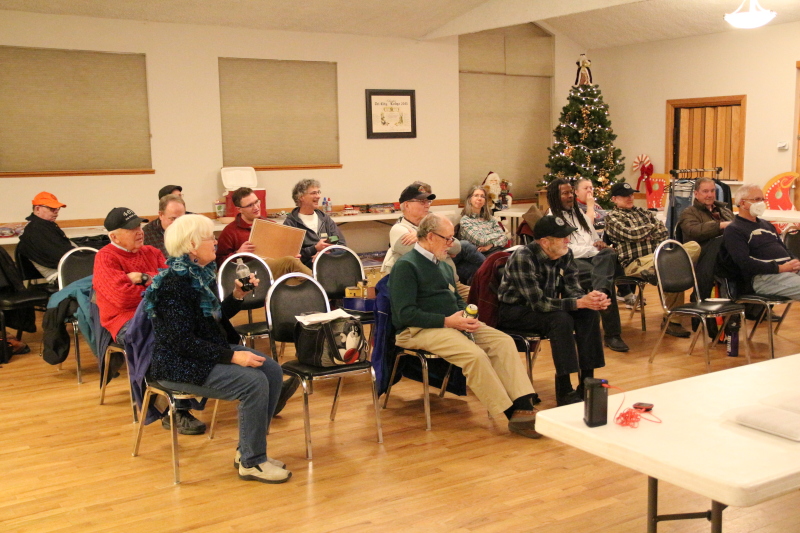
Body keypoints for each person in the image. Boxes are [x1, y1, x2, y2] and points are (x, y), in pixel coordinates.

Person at [145, 214, 290, 484]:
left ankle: (248, 449)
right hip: (177, 363)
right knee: (253, 382)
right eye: (209, 237)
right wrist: (232, 356)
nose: (215, 241)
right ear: (191, 245)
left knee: (271, 370)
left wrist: (237, 296)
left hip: (203, 352)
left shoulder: (200, 275)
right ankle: (252, 462)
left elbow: (213, 319)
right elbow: (181, 342)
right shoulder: (173, 285)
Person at [390, 213, 541, 439]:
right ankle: (512, 414)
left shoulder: (442, 264)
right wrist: (447, 321)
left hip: (450, 323)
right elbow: (405, 314)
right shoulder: (406, 266)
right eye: (447, 239)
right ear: (430, 237)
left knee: (503, 341)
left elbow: (455, 298)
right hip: (417, 330)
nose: (451, 244)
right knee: (474, 355)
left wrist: (464, 314)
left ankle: (524, 406)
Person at [93, 207, 206, 436]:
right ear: (114, 236)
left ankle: (232, 385)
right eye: (131, 229)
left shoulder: (152, 252)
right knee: (167, 342)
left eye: (139, 226)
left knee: (199, 330)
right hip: (126, 321)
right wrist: (157, 287)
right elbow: (123, 298)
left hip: (160, 315)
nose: (139, 231)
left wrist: (143, 279)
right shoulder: (105, 257)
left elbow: (175, 284)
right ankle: (175, 410)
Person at [497, 215, 608, 406]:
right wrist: (579, 303)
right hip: (515, 311)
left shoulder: (565, 254)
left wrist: (591, 300)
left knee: (589, 313)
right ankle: (565, 389)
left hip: (546, 308)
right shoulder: (523, 257)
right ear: (545, 242)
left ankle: (587, 382)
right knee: (560, 319)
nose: (568, 240)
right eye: (562, 237)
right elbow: (539, 304)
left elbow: (573, 289)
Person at [604, 182, 701, 338]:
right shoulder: (612, 217)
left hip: (659, 256)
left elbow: (663, 231)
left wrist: (643, 233)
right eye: (624, 195)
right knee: (674, 268)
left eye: (631, 194)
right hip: (635, 263)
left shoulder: (643, 212)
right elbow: (631, 234)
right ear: (614, 199)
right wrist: (650, 229)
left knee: (694, 246)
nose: (630, 198)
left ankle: (659, 270)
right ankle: (672, 321)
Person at [545, 179, 628, 352]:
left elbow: (595, 238)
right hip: (570, 261)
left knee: (608, 256)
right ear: (555, 196)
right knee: (603, 277)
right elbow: (564, 249)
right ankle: (612, 333)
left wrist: (600, 244)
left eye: (571, 192)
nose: (570, 196)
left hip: (594, 258)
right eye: (565, 193)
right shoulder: (552, 219)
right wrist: (593, 249)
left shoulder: (580, 216)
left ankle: (601, 293)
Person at [382, 183, 484, 291]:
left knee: (485, 296)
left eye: (429, 201)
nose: (427, 205)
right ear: (407, 205)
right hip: (429, 290)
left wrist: (424, 238)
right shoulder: (398, 229)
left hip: (453, 284)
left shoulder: (433, 223)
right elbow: (423, 255)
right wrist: (446, 249)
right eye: (422, 202)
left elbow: (457, 247)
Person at [723, 183, 800, 299]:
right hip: (762, 277)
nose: (761, 203)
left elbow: (783, 248)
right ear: (743, 203)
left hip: (787, 270)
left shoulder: (767, 225)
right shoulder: (734, 230)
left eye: (762, 199)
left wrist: (794, 262)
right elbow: (744, 262)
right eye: (757, 199)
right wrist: (780, 268)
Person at [215, 187, 312, 277]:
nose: (256, 207)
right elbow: (219, 263)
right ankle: (318, 283)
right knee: (291, 262)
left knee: (296, 274)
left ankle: (316, 285)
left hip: (276, 271)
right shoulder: (230, 231)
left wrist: (291, 254)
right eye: (250, 205)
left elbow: (282, 252)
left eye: (256, 202)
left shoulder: (271, 225)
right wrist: (238, 253)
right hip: (252, 273)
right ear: (239, 209)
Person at [678, 177, 735, 303]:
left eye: (712, 191)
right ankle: (701, 298)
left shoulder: (725, 211)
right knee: (719, 243)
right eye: (705, 191)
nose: (710, 195)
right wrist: (720, 225)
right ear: (696, 193)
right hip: (701, 255)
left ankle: (753, 304)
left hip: (726, 256)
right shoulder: (688, 213)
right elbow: (694, 231)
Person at [283, 179, 346, 267]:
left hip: (330, 260)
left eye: (318, 192)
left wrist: (324, 253)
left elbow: (340, 243)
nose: (318, 196)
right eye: (313, 193)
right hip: (306, 267)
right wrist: (314, 249)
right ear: (301, 197)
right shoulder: (291, 223)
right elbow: (290, 256)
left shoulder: (325, 219)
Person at [17, 192, 76, 282]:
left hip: (63, 269)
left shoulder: (43, 225)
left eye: (57, 209)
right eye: (52, 209)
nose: (56, 212)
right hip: (60, 274)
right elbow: (63, 255)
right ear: (38, 209)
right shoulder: (38, 229)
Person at [458, 185, 509, 256]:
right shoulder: (465, 221)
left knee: (519, 252)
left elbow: (505, 238)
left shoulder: (490, 218)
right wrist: (498, 236)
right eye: (476, 195)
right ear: (469, 200)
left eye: (482, 196)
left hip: (496, 249)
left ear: (485, 201)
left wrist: (490, 245)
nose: (479, 198)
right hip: (479, 255)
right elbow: (482, 241)